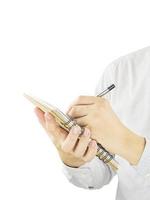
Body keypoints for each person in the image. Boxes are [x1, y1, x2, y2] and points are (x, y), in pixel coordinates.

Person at [35, 46, 150, 200]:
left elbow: (125, 145)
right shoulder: (120, 72)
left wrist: (130, 145)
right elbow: (104, 170)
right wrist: (76, 159)